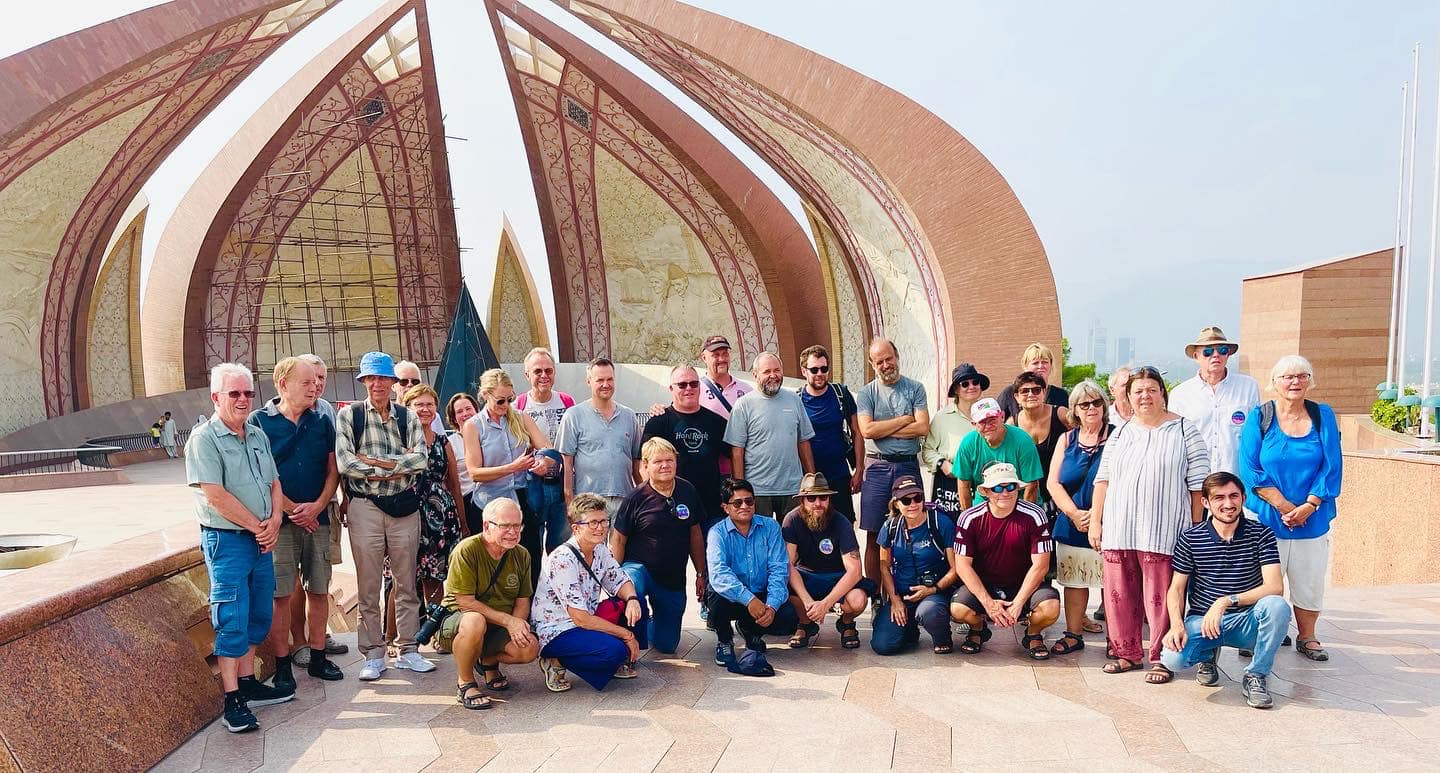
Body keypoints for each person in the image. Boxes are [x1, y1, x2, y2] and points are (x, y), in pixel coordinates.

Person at [187, 363, 292, 733]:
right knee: (231, 618)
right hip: (229, 540)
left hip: (261, 539)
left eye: (248, 393)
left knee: (257, 613)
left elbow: (274, 482)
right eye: (234, 393)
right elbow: (215, 495)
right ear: (216, 397)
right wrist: (258, 527)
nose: (243, 400)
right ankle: (232, 699)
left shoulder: (257, 434)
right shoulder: (204, 439)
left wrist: (276, 520)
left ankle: (248, 683)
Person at [1089, 366, 1209, 683]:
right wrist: (1096, 522)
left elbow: (1198, 485)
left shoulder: (1185, 430)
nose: (1145, 396)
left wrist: (1196, 527)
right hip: (1120, 529)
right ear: (1128, 396)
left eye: (1151, 389)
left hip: (1164, 530)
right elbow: (1103, 480)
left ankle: (1161, 657)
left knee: (1160, 597)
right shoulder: (1121, 432)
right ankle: (1126, 653)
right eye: (1138, 391)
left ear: (1162, 393)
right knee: (1118, 595)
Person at [335, 351, 436, 681]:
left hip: (403, 508)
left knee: (406, 581)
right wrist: (395, 465)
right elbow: (345, 463)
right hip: (365, 507)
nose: (377, 384)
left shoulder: (407, 418)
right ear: (364, 381)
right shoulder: (350, 417)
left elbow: (420, 459)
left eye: (383, 378)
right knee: (368, 584)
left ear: (393, 383)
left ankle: (408, 649)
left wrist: (376, 465)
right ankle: (374, 654)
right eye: (371, 378)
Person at [247, 357, 344, 688]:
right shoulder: (259, 422)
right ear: (282, 385)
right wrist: (290, 510)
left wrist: (316, 507)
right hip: (281, 524)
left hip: (317, 521)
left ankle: (318, 657)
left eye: (316, 383)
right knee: (280, 594)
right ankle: (284, 662)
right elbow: (260, 475)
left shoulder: (321, 421)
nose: (314, 387)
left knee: (319, 589)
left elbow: (333, 471)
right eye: (306, 383)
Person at [1238, 354, 1342, 662]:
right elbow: (1250, 468)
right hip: (1267, 516)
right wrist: (1284, 506)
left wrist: (1309, 505)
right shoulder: (1260, 416)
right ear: (1275, 382)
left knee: (1308, 577)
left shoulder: (1322, 415)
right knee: (1261, 578)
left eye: (1301, 376)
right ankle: (1259, 632)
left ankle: (1307, 636)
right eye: (1287, 377)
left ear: (1310, 380)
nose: (1295, 382)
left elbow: (1332, 466)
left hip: (1312, 515)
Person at [1160, 473, 1289, 709]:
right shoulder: (1191, 538)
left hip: (1246, 621)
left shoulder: (1262, 534)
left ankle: (1256, 675)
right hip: (1203, 621)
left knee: (1277, 606)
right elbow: (1176, 589)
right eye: (1219, 498)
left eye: (1234, 496)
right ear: (1206, 502)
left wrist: (1224, 602)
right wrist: (1176, 625)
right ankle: (1207, 654)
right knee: (1172, 659)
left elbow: (1275, 587)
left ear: (1243, 498)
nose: (1228, 504)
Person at [531, 494, 646, 692]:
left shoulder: (599, 549)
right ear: (576, 527)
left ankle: (618, 655)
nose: (600, 528)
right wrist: (626, 635)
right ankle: (555, 660)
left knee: (637, 603)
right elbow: (581, 619)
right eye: (593, 523)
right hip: (558, 629)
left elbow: (620, 580)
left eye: (603, 521)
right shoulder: (563, 559)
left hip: (586, 618)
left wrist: (633, 599)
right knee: (614, 651)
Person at [435, 498, 539, 710]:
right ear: (486, 526)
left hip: (497, 624)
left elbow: (522, 600)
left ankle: (487, 660)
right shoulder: (467, 550)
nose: (513, 531)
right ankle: (465, 682)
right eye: (505, 526)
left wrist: (516, 626)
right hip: (459, 622)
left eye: (517, 525)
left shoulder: (522, 554)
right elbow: (465, 602)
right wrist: (508, 621)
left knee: (528, 648)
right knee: (475, 621)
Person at [950, 463, 1061, 659]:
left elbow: (1041, 566)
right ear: (985, 491)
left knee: (1050, 608)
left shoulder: (1035, 514)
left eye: (1011, 486)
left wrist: (1018, 603)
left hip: (1024, 585)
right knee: (958, 610)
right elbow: (962, 566)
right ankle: (978, 629)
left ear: (1018, 488)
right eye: (997, 488)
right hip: (986, 585)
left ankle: (1033, 633)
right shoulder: (969, 518)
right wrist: (988, 604)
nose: (1005, 493)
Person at [610, 438, 707, 654]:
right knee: (630, 588)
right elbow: (618, 539)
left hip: (672, 577)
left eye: (669, 460)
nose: (664, 465)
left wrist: (701, 573)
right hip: (640, 568)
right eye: (657, 461)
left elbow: (696, 535)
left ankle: (650, 624)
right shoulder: (636, 497)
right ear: (645, 465)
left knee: (667, 645)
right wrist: (614, 579)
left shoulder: (687, 490)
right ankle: (624, 645)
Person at [463, 369, 553, 577]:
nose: (506, 406)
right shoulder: (474, 426)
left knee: (529, 561)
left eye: (510, 399)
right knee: (493, 564)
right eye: (500, 401)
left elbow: (548, 450)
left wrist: (541, 461)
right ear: (485, 395)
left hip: (522, 499)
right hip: (490, 502)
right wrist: (513, 467)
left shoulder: (521, 417)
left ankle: (528, 607)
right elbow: (474, 473)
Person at [856, 337, 929, 590]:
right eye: (879, 362)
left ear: (897, 356)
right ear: (871, 364)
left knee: (912, 527)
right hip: (876, 468)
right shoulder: (867, 393)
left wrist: (883, 429)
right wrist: (904, 419)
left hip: (907, 465)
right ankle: (876, 595)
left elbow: (922, 426)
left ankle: (908, 590)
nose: (886, 365)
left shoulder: (915, 388)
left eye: (889, 358)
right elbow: (866, 430)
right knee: (874, 534)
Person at [291, 353, 348, 667]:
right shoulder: (271, 416)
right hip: (293, 515)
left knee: (320, 577)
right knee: (294, 582)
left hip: (325, 509)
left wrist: (338, 498)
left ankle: (318, 636)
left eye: (321, 379)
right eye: (310, 379)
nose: (316, 385)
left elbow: (335, 463)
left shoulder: (327, 411)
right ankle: (298, 641)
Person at [1045, 380, 1110, 653]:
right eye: (1085, 404)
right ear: (1075, 410)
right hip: (1071, 522)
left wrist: (1097, 515)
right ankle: (1072, 634)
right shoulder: (1066, 439)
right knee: (1074, 581)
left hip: (1108, 522)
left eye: (1096, 402)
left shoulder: (1118, 437)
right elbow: (1052, 483)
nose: (1091, 408)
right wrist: (1073, 514)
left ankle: (1118, 640)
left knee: (1112, 583)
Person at [705, 478, 798, 666]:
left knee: (787, 616)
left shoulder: (770, 527)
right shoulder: (717, 533)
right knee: (716, 597)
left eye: (749, 501)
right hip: (732, 597)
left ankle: (751, 632)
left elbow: (778, 569)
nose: (744, 506)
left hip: (760, 593)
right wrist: (749, 599)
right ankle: (724, 640)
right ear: (725, 507)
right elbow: (719, 573)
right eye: (737, 502)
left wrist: (771, 606)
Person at [781, 473, 875, 649]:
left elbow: (854, 569)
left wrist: (826, 604)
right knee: (781, 584)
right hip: (806, 576)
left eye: (823, 497)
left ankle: (847, 623)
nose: (818, 503)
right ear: (802, 500)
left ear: (829, 499)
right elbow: (787, 565)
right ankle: (805, 623)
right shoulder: (791, 520)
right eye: (811, 498)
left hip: (836, 577)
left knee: (858, 599)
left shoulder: (841, 522)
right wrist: (809, 603)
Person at [872, 475, 958, 655]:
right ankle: (909, 629)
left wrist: (934, 589)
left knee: (929, 611)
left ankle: (943, 637)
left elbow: (956, 568)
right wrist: (895, 601)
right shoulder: (890, 527)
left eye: (917, 498)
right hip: (903, 594)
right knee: (883, 646)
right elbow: (884, 567)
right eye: (906, 500)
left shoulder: (940, 523)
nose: (913, 504)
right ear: (896, 503)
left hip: (935, 592)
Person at [724, 352, 816, 520]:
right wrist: (739, 490)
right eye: (767, 371)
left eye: (777, 370)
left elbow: (803, 441)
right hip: (758, 492)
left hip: (792, 489)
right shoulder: (743, 405)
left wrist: (812, 480)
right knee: (760, 542)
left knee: (792, 542)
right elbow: (737, 452)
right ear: (755, 375)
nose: (773, 375)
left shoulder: (794, 399)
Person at [401, 384, 469, 605]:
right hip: (408, 516)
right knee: (403, 580)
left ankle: (434, 633)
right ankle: (394, 635)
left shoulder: (443, 441)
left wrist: (463, 521)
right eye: (418, 405)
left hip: (442, 519)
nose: (425, 409)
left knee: (436, 580)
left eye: (429, 404)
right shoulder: (399, 441)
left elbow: (454, 484)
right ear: (407, 408)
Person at [643, 364, 730, 528]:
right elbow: (644, 464)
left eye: (694, 383)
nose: (688, 388)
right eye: (682, 385)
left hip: (710, 509)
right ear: (671, 388)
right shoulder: (658, 422)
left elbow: (734, 456)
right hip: (669, 508)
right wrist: (653, 500)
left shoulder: (717, 422)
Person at [1168, 326, 1260, 476]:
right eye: (1208, 351)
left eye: (1222, 350)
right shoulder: (1180, 394)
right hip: (1196, 481)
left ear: (1228, 354)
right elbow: (1175, 442)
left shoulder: (1249, 386)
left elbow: (1255, 434)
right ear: (1196, 356)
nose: (1216, 355)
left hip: (1236, 480)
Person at [557, 358, 642, 517]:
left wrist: (644, 498)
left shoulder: (629, 416)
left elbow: (637, 462)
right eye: (600, 380)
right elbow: (566, 464)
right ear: (588, 381)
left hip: (624, 500)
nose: (606, 384)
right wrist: (570, 504)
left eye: (610, 379)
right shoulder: (574, 416)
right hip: (588, 502)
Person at [515, 348, 576, 559]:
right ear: (527, 375)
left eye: (548, 371)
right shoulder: (519, 406)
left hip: (561, 484)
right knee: (532, 544)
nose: (544, 376)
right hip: (534, 485)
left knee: (560, 546)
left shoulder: (567, 402)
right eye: (538, 371)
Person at [796, 345, 863, 523]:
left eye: (824, 369)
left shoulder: (840, 393)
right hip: (811, 479)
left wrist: (859, 470)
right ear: (804, 371)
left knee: (845, 525)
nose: (819, 373)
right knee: (815, 527)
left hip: (840, 475)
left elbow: (857, 431)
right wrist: (810, 478)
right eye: (814, 369)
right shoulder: (797, 400)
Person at [951, 398, 1043, 507]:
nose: (988, 426)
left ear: (1002, 417)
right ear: (974, 424)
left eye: (992, 420)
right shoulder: (968, 444)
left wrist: (1026, 517)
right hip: (985, 502)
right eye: (982, 422)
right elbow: (963, 484)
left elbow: (1031, 484)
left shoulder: (1023, 441)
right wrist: (968, 518)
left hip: (1019, 500)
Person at [923, 363, 987, 516]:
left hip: (982, 482)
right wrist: (942, 464)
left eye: (975, 382)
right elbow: (927, 450)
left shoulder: (989, 415)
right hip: (949, 484)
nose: (971, 386)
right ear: (956, 390)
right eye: (965, 384)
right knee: (948, 533)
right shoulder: (942, 417)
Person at [1007, 371, 1071, 504]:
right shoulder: (1012, 424)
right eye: (1025, 391)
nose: (1031, 395)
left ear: (1044, 392)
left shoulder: (1061, 414)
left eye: (1036, 390)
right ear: (1017, 397)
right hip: (1027, 493)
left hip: (1062, 489)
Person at [996, 343, 1070, 419]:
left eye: (1045, 362)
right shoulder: (1009, 393)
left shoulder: (1061, 395)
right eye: (1035, 363)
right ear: (1025, 366)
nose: (1041, 366)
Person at [444, 392, 481, 529]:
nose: (465, 414)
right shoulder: (450, 443)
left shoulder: (488, 435)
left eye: (468, 409)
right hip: (468, 502)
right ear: (454, 418)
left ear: (476, 410)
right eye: (459, 411)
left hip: (493, 496)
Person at [697, 334, 752, 421]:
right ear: (704, 358)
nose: (722, 359)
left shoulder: (747, 390)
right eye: (716, 355)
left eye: (725, 354)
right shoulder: (695, 389)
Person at [393, 359, 446, 434]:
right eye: (403, 382)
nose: (410, 385)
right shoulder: (388, 416)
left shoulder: (432, 415)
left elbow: (442, 443)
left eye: (415, 382)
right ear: (393, 386)